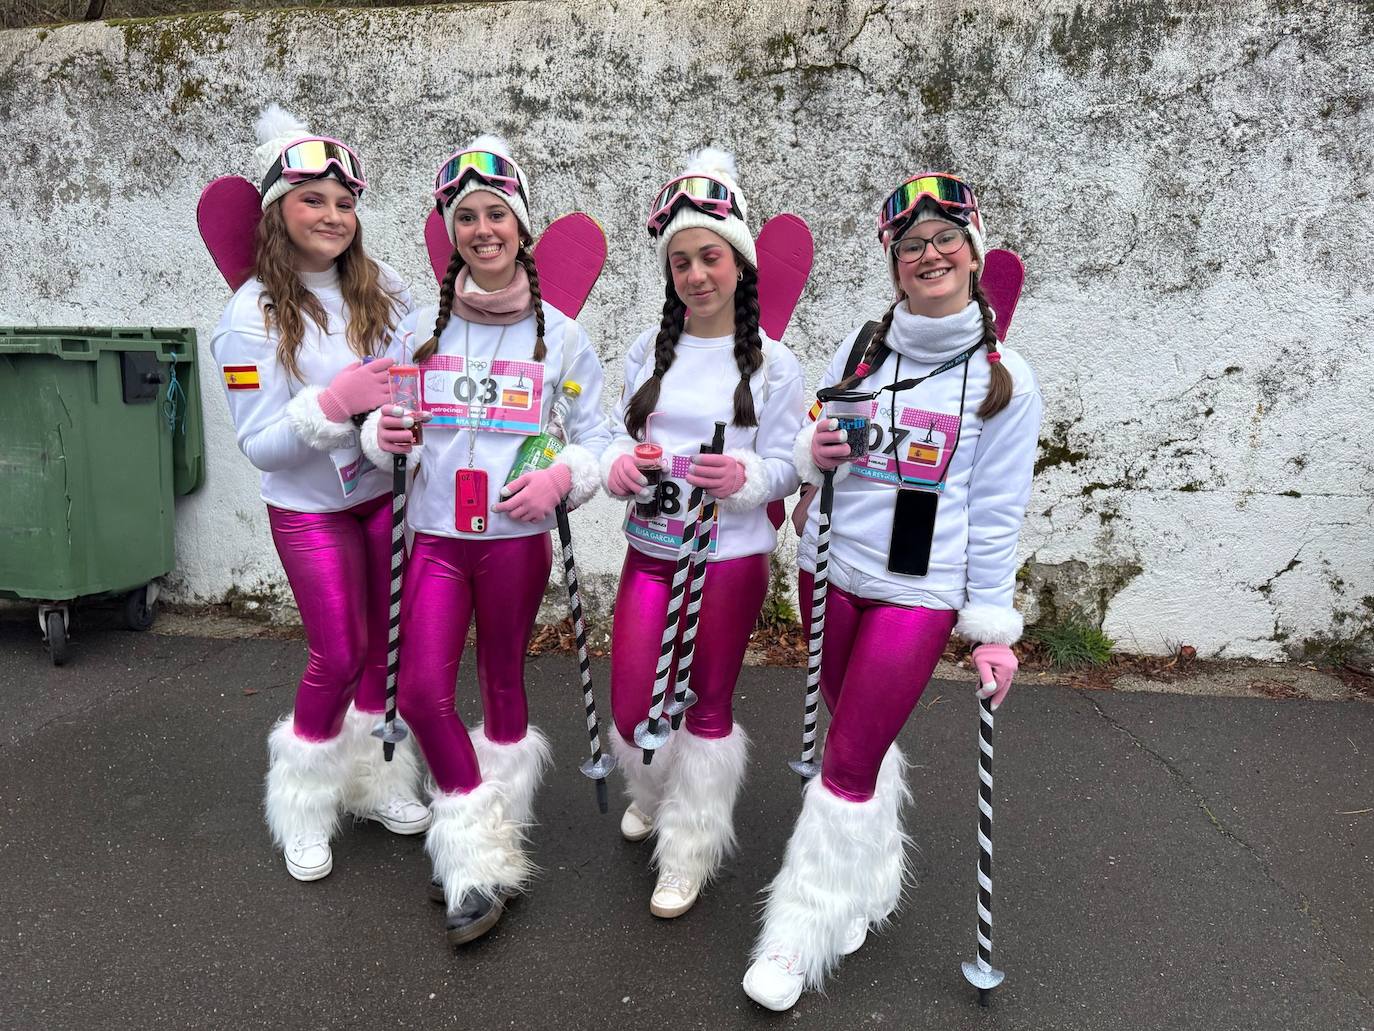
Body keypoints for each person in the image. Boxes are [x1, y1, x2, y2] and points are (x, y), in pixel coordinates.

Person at [742, 173, 1043, 1010]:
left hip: (918, 593)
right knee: (853, 739)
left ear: (973, 252)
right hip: (830, 570)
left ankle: (794, 939)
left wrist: (991, 627)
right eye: (911, 244)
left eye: (947, 237)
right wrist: (816, 451)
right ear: (894, 261)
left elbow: (996, 510)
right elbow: (817, 436)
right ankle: (866, 883)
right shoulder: (863, 346)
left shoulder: (1002, 376)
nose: (929, 254)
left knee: (845, 757)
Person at [362, 136, 611, 945]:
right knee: (419, 692)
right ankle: (473, 853)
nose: (481, 228)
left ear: (520, 225)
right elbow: (384, 414)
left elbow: (599, 441)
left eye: (496, 213)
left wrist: (563, 476)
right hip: (436, 534)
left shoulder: (562, 335)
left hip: (514, 538)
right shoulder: (419, 329)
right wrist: (384, 434)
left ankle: (494, 832)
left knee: (502, 678)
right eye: (464, 216)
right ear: (451, 230)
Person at [209, 105, 428, 883]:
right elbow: (260, 445)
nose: (333, 215)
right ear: (278, 211)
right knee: (338, 652)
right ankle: (304, 801)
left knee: (385, 650)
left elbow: (404, 389)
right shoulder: (249, 317)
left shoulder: (386, 286)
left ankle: (376, 781)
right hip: (309, 511)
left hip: (381, 497)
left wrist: (400, 417)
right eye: (312, 199)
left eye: (344, 202)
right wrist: (334, 401)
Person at [600, 148, 803, 919]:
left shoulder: (775, 366)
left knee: (706, 704)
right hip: (651, 551)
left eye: (709, 256)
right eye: (680, 260)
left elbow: (788, 465)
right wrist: (624, 466)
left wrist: (746, 478)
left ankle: (687, 846)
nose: (695, 274)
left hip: (730, 557)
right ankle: (650, 787)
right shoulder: (646, 352)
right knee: (630, 704)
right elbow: (617, 439)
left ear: (739, 262)